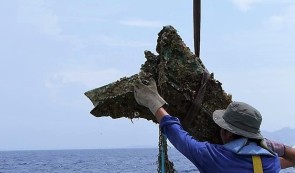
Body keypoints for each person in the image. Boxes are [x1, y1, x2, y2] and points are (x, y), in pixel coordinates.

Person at [134, 78, 295, 173]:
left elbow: (178, 135)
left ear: (228, 133)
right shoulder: (270, 164)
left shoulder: (212, 157)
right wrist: (278, 147)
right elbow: (287, 161)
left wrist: (152, 101)